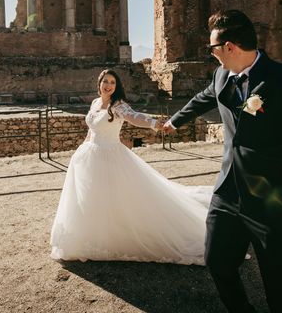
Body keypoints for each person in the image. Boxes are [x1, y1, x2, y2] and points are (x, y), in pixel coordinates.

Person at [163, 9, 282, 313]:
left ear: (229, 48)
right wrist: (175, 121)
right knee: (218, 263)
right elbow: (207, 96)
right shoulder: (222, 74)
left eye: (213, 49)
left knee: (278, 285)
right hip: (228, 194)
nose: (212, 55)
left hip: (275, 204)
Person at [50, 68, 214, 265]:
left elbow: (135, 117)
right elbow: (91, 130)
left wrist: (154, 123)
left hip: (111, 155)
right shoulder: (95, 103)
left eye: (113, 82)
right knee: (92, 197)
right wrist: (81, 149)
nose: (109, 85)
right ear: (99, 83)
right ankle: (92, 237)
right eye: (106, 81)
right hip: (89, 155)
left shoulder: (118, 105)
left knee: (119, 197)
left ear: (116, 86)